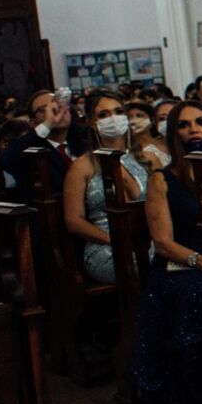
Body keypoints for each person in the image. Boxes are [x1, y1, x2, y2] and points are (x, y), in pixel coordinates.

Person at [126, 100, 202, 404]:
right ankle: (200, 402)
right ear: (174, 133)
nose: (194, 129)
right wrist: (201, 260)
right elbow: (163, 242)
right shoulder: (162, 179)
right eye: (184, 125)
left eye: (200, 122)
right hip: (182, 265)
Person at [62, 89, 148, 285]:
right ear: (92, 122)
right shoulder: (82, 166)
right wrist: (115, 240)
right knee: (145, 265)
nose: (114, 119)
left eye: (118, 112)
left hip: (146, 239)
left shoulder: (145, 157)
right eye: (104, 115)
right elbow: (73, 221)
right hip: (106, 246)